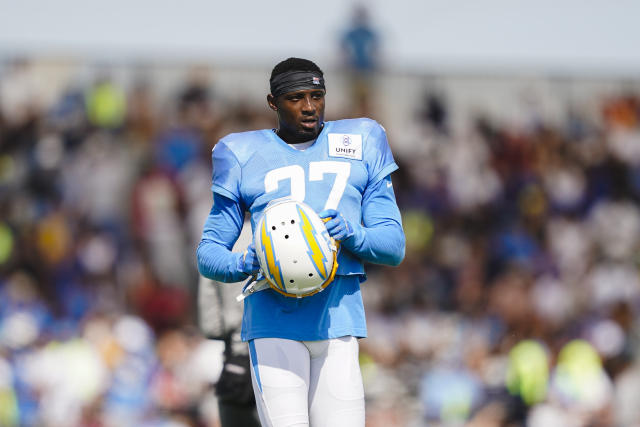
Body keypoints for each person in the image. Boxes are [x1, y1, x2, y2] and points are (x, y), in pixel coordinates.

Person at [197, 57, 405, 427]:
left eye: (316, 95)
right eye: (296, 98)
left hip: (338, 320)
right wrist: (245, 262)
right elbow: (208, 253)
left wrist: (354, 233)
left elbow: (393, 245)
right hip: (273, 320)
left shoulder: (363, 140)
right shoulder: (242, 153)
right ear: (273, 103)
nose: (309, 107)